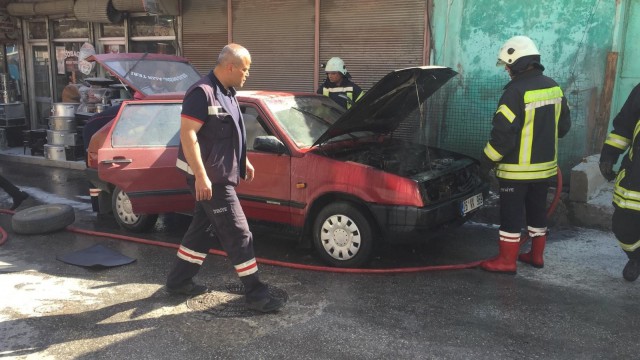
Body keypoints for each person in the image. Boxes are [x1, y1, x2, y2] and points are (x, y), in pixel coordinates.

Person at [166, 43, 285, 313]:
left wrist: (244, 160)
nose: (247, 74)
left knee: (202, 231)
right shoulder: (202, 93)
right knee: (239, 233)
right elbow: (189, 135)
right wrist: (200, 176)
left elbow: (227, 135)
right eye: (245, 69)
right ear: (230, 66)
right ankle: (257, 295)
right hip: (211, 179)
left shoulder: (227, 93)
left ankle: (178, 282)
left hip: (220, 175)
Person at [479, 35, 571, 274]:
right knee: (537, 213)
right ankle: (536, 256)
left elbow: (502, 138)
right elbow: (563, 129)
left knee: (511, 216)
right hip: (545, 171)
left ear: (518, 63)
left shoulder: (514, 92)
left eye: (508, 65)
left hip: (516, 172)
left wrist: (485, 162)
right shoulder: (554, 87)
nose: (507, 70)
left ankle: (506, 261)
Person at [599, 84, 640, 282]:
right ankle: (636, 257)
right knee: (623, 227)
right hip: (636, 178)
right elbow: (624, 127)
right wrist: (608, 155)